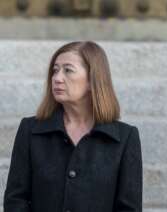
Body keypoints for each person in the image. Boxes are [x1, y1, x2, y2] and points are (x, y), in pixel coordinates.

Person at [4, 41, 142, 212]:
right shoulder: (30, 130)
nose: (57, 78)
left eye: (68, 70)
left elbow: (129, 208)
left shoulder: (125, 137)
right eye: (55, 70)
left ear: (93, 80)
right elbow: (16, 200)